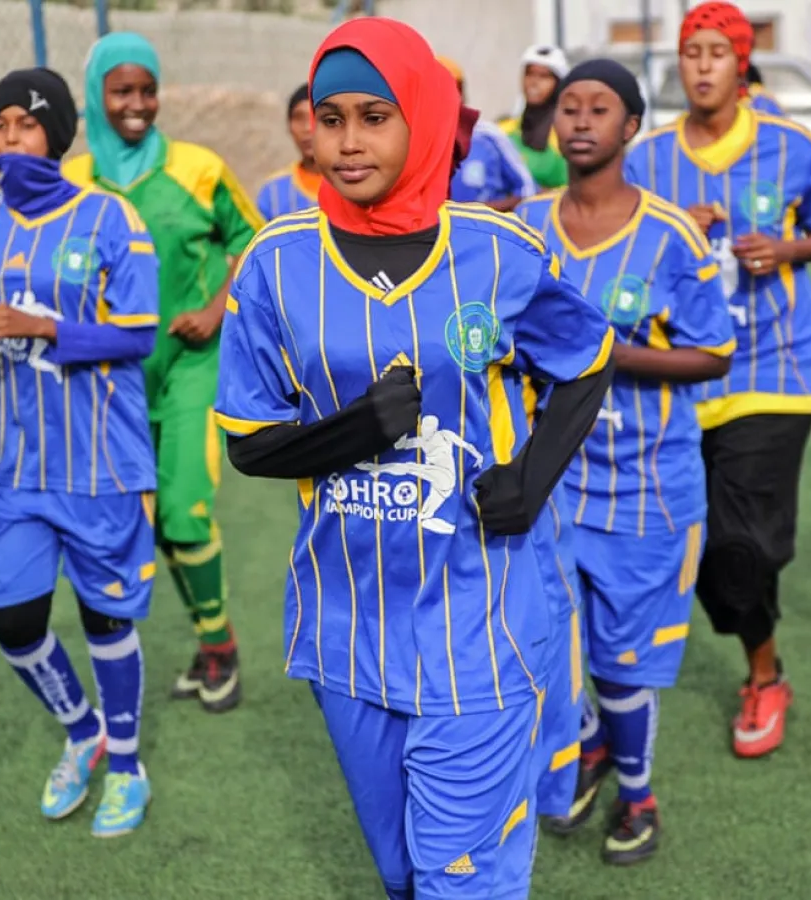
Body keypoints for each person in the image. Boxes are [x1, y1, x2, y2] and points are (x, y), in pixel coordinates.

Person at [215, 18, 615, 898]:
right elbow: (248, 444)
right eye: (331, 117)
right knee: (402, 872)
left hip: (481, 615)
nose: (349, 141)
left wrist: (532, 478)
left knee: (458, 881)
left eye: (375, 115)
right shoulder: (276, 266)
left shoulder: (497, 251)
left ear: (424, 119)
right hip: (346, 622)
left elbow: (586, 359)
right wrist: (359, 430)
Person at [518, 59, 733, 863]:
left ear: (631, 127)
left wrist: (607, 353)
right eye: (568, 107)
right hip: (550, 486)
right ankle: (580, 749)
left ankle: (637, 795)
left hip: (647, 492)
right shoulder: (528, 226)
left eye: (598, 108)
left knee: (620, 664)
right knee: (547, 644)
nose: (577, 121)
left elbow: (714, 354)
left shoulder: (671, 235)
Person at [624, 1, 811, 759]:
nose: (703, 65)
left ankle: (764, 678)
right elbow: (618, 236)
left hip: (772, 370)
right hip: (679, 379)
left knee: (737, 545)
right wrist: (672, 229)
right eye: (692, 52)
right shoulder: (649, 157)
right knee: (698, 550)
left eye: (719, 51)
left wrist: (786, 250)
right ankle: (759, 653)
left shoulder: (789, 146)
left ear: (741, 63)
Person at [0, 67, 161, 836]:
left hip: (99, 459)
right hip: (13, 460)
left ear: (59, 133)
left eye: (26, 123)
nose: (10, 138)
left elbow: (138, 332)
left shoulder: (111, 216)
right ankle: (84, 734)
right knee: (13, 620)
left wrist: (43, 328)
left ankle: (128, 765)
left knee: (105, 617)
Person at [65, 32, 265, 712]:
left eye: (147, 89)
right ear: (96, 96)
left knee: (184, 512)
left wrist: (215, 309)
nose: (138, 104)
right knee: (147, 529)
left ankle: (221, 649)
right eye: (122, 91)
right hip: (112, 384)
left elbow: (253, 244)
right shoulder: (73, 181)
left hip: (190, 368)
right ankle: (211, 643)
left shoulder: (199, 168)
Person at [439, 56, 537, 211]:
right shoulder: (415, 141)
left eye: (451, 89)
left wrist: (481, 213)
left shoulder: (488, 136)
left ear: (462, 93)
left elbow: (527, 190)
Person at [499, 43, 571, 190]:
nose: (534, 83)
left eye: (544, 76)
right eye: (529, 74)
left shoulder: (567, 133)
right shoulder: (503, 131)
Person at [256, 83, 322, 221]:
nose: (307, 128)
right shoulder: (273, 192)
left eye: (314, 117)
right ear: (289, 127)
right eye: (299, 118)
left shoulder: (352, 184)